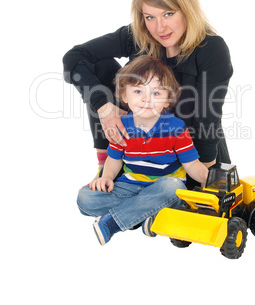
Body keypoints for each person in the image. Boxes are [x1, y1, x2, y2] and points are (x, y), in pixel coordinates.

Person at [63, 0, 233, 188]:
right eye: (150, 17)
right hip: (137, 149)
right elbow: (73, 58)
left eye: (168, 14)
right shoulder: (137, 35)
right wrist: (104, 108)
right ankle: (107, 168)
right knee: (98, 67)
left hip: (190, 155)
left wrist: (203, 180)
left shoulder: (212, 48)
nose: (160, 27)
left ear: (186, 9)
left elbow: (208, 119)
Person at [77, 55, 208, 245]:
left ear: (167, 100)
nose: (146, 99)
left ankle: (113, 222)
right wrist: (106, 177)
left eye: (156, 93)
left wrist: (207, 178)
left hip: (164, 187)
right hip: (130, 186)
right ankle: (148, 213)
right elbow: (114, 160)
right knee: (85, 199)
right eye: (138, 91)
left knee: (175, 188)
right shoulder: (121, 126)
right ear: (124, 96)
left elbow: (192, 164)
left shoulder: (176, 128)